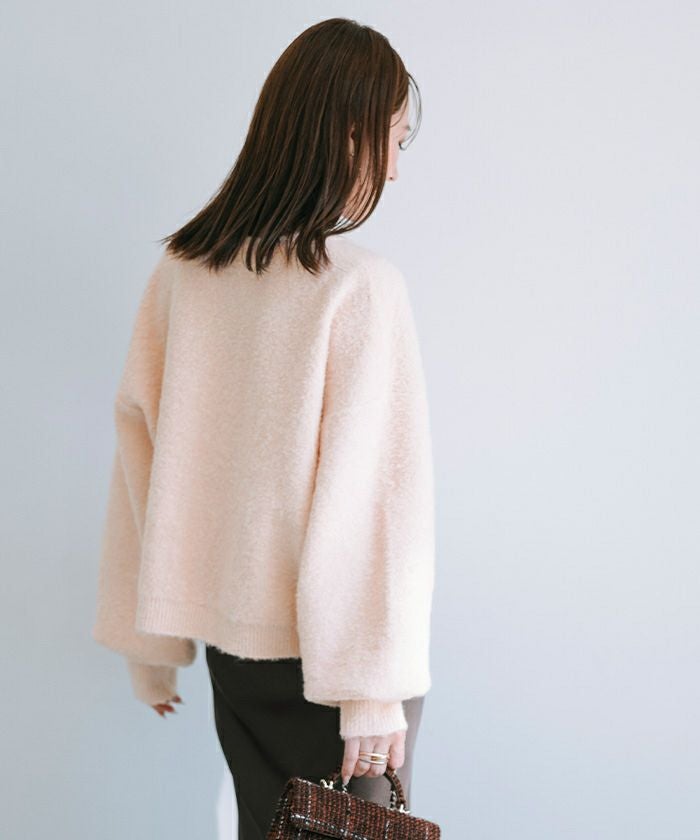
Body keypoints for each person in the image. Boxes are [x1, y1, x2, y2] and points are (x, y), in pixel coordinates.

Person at [92, 16, 436, 838]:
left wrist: (150, 646)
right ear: (346, 133)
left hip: (235, 654)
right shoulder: (358, 288)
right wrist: (372, 692)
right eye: (392, 140)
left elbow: (141, 456)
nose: (395, 168)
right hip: (339, 664)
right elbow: (373, 502)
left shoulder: (182, 273)